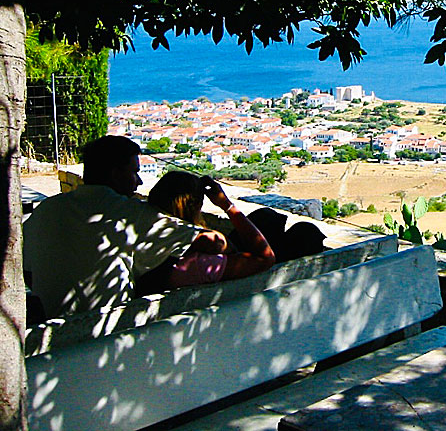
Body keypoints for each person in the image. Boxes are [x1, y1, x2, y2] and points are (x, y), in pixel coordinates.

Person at [23, 136, 230, 319]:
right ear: (115, 173)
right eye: (134, 172)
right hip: (108, 329)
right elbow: (216, 243)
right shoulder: (132, 213)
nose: (139, 182)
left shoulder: (48, 208)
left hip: (48, 326)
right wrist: (226, 206)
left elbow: (25, 269)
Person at [136, 171, 275, 294]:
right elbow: (265, 258)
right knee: (270, 219)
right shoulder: (197, 264)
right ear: (196, 206)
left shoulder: (139, 233)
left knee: (265, 217)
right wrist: (227, 205)